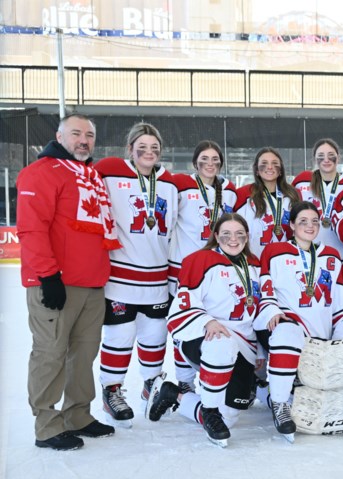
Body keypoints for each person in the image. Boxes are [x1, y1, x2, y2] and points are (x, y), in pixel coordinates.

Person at [18, 113, 119, 450]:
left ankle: (78, 414)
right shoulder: (41, 173)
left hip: (91, 284)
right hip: (57, 282)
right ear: (59, 136)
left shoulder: (90, 175)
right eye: (76, 133)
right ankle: (47, 424)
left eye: (89, 135)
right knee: (50, 353)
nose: (84, 140)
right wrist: (47, 276)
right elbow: (32, 228)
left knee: (83, 354)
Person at [253, 201, 343, 438]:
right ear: (291, 225)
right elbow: (266, 293)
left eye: (315, 222)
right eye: (303, 221)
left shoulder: (332, 256)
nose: (310, 226)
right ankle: (279, 405)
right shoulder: (274, 251)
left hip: (319, 333)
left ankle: (338, 396)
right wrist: (272, 312)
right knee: (287, 332)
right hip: (284, 326)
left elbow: (339, 303)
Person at [94, 123, 179, 425]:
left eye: (154, 148)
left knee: (155, 337)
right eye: (141, 147)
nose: (148, 153)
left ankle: (151, 384)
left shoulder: (170, 183)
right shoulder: (110, 172)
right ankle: (111, 389)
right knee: (120, 336)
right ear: (129, 149)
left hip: (157, 279)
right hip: (120, 279)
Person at [157, 213, 261, 447]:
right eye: (226, 234)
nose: (233, 239)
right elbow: (184, 301)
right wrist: (206, 321)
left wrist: (261, 351)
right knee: (222, 342)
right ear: (216, 236)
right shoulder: (201, 259)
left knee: (230, 417)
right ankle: (210, 411)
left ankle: (174, 395)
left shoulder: (254, 265)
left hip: (245, 344)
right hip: (206, 338)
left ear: (246, 237)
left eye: (239, 234)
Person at [168, 140, 238, 395]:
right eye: (204, 159)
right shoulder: (181, 185)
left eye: (215, 160)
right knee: (185, 323)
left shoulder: (229, 190)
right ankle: (184, 380)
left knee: (213, 323)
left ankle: (213, 374)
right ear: (195, 162)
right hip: (184, 266)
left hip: (216, 268)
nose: (210, 164)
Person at [292, 138, 343, 259]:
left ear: (338, 158)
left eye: (331, 155)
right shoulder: (302, 180)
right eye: (321, 155)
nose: (326, 159)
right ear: (314, 159)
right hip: (310, 253)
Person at [234, 147, 299, 258]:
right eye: (264, 163)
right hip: (254, 260)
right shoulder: (243, 194)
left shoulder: (293, 194)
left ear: (281, 170)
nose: (269, 167)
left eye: (274, 163)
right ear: (257, 170)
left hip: (286, 260)